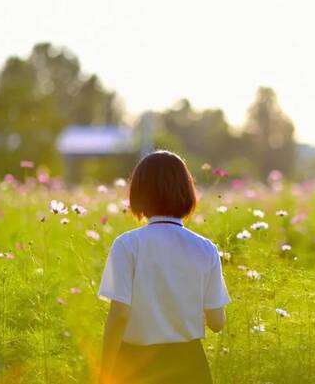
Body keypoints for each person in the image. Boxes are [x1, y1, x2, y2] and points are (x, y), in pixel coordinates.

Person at [98, 150, 231, 384]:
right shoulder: (206, 249)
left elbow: (119, 314)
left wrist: (104, 372)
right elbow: (217, 323)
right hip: (190, 365)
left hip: (135, 363)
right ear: (187, 192)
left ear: (138, 194)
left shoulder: (127, 244)